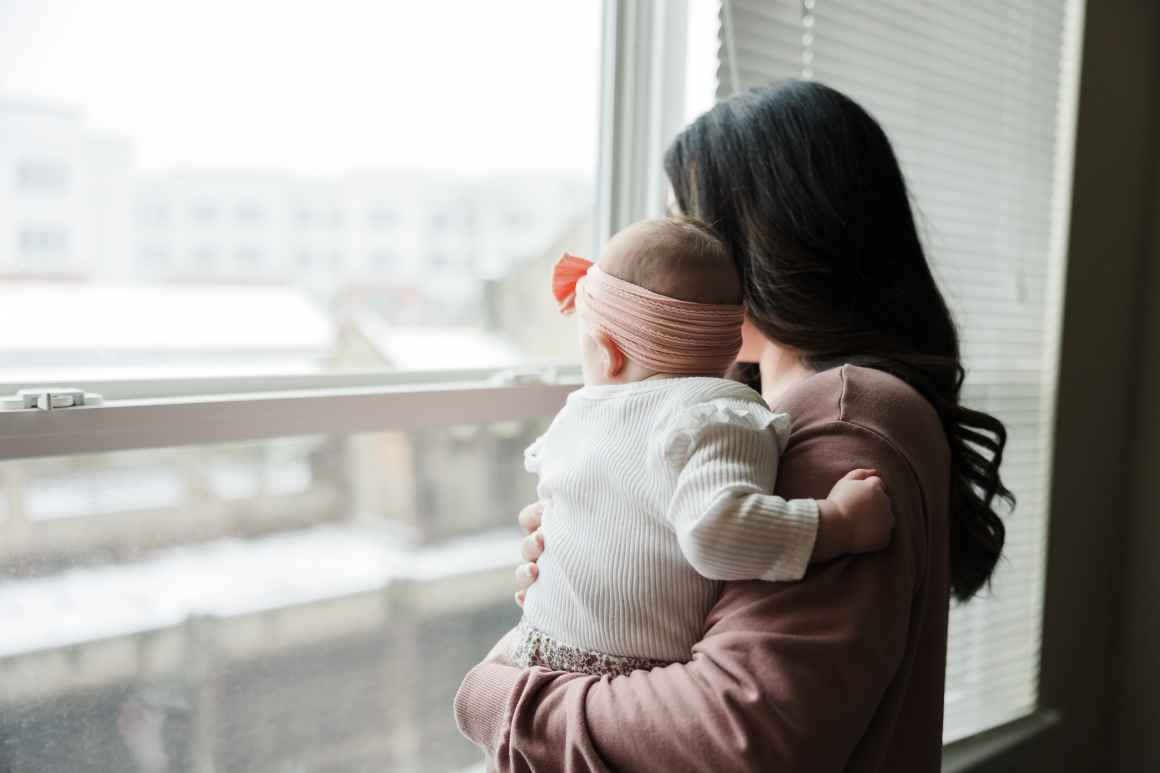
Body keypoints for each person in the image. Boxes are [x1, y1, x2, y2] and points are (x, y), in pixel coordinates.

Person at [455, 79, 1011, 772]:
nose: (664, 262)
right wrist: (606, 562)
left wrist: (501, 697)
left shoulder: (839, 417)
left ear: (768, 246)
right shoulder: (746, 419)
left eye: (687, 228)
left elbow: (740, 732)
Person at [510, 216, 893, 677]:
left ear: (607, 352)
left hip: (536, 653)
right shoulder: (717, 416)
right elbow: (719, 533)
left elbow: (714, 534)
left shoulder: (584, 415)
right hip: (628, 671)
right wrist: (843, 523)